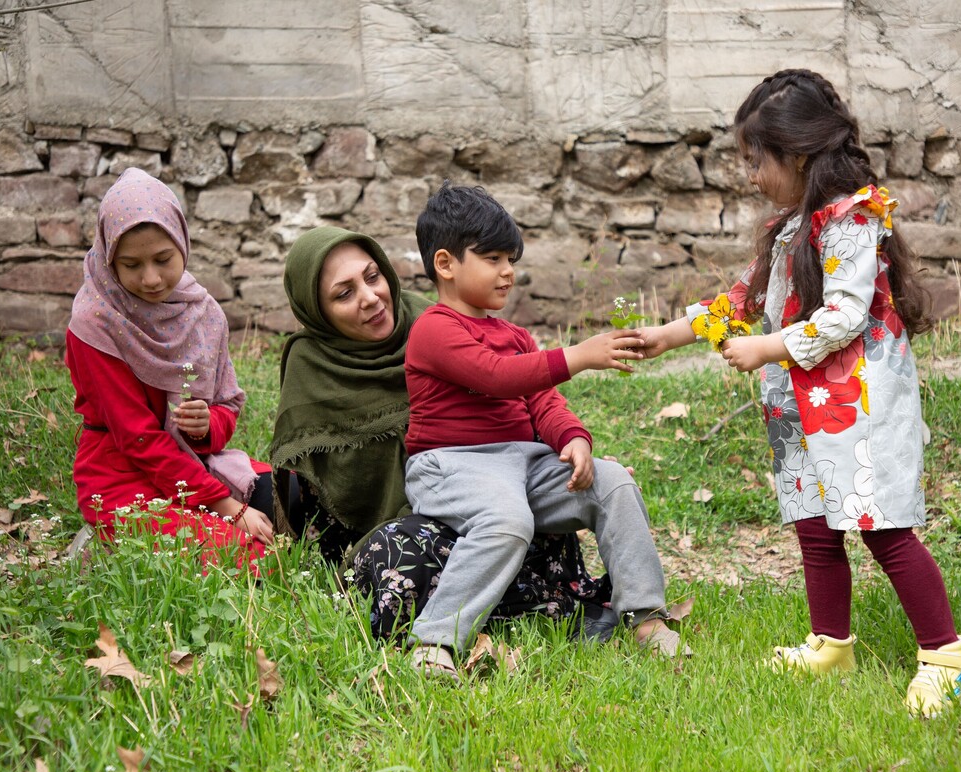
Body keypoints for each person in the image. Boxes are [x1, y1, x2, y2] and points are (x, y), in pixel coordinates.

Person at [635, 68, 961, 717]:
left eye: (753, 160)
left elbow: (847, 313)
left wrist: (766, 346)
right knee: (816, 528)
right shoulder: (790, 227)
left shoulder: (852, 218)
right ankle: (832, 646)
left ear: (796, 154)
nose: (748, 175)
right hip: (802, 405)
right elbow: (740, 298)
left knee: (882, 529)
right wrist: (668, 335)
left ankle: (947, 659)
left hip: (861, 404)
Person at [270, 226, 614, 640]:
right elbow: (315, 501)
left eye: (373, 276)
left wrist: (567, 443)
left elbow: (518, 394)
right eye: (343, 294)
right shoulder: (314, 367)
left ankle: (519, 598)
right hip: (408, 524)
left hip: (493, 494)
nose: (369, 297)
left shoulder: (433, 323)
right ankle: (494, 611)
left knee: (529, 519)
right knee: (400, 559)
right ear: (317, 310)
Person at [403, 183, 685, 680]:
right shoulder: (433, 328)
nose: (507, 271)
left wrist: (572, 438)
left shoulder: (514, 335)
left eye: (509, 258)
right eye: (492, 258)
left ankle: (645, 618)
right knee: (507, 518)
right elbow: (496, 376)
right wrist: (579, 355)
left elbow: (541, 399)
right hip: (452, 465)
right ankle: (435, 640)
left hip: (522, 463)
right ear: (445, 264)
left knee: (613, 481)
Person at [66, 168, 274, 570]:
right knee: (255, 558)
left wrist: (204, 425)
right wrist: (227, 506)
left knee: (291, 495)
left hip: (192, 463)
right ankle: (104, 543)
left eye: (163, 259)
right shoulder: (95, 323)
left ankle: (134, 540)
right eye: (131, 265)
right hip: (122, 475)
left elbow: (227, 406)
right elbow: (137, 438)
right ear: (110, 259)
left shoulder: (200, 311)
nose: (150, 278)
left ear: (182, 243)